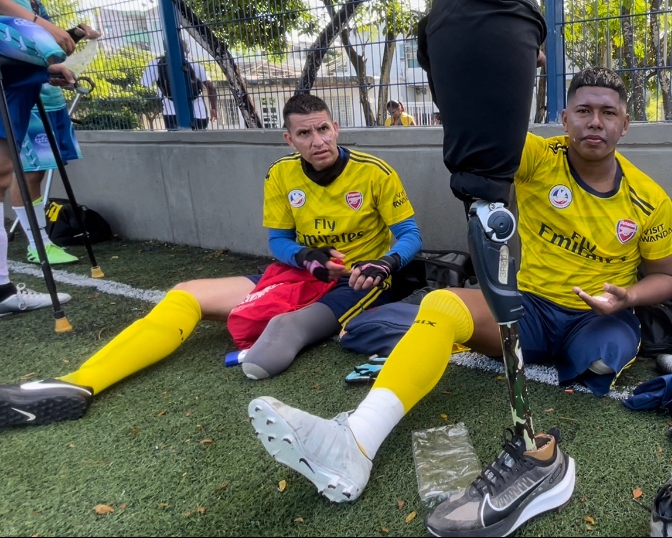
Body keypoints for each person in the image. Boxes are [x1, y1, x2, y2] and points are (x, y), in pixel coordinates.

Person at [248, 68, 672, 535]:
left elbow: (668, 277)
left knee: (600, 359)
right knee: (441, 304)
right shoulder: (538, 157)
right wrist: (490, 57)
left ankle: (584, 357)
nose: (594, 122)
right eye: (583, 111)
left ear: (625, 123)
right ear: (564, 118)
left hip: (601, 317)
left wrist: (627, 297)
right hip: (528, 310)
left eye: (607, 113)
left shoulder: (649, 199)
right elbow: (485, 135)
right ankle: (355, 440)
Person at [0, 93, 424, 428]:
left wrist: (383, 265)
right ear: (288, 139)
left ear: (336, 128)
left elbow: (410, 235)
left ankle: (292, 322)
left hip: (359, 282)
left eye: (324, 129)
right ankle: (79, 383)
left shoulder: (374, 172)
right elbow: (278, 241)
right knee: (186, 295)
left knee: (268, 355)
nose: (318, 142)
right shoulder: (280, 174)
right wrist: (305, 256)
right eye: (305, 134)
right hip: (299, 272)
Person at [1, 0, 100, 265]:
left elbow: (43, 42)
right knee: (20, 170)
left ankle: (39, 242)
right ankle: (37, 242)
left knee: (36, 169)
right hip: (16, 86)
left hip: (40, 87)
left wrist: (70, 38)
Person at [0, 0, 77, 314]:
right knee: (12, 172)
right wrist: (39, 25)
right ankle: (33, 248)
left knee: (4, 171)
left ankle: (3, 288)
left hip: (19, 73)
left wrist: (45, 65)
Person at [141, 48, 219, 130]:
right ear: (186, 51)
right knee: (199, 140)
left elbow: (145, 86)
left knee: (176, 141)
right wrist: (213, 108)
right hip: (199, 114)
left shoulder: (156, 64)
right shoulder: (195, 64)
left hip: (171, 113)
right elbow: (210, 87)